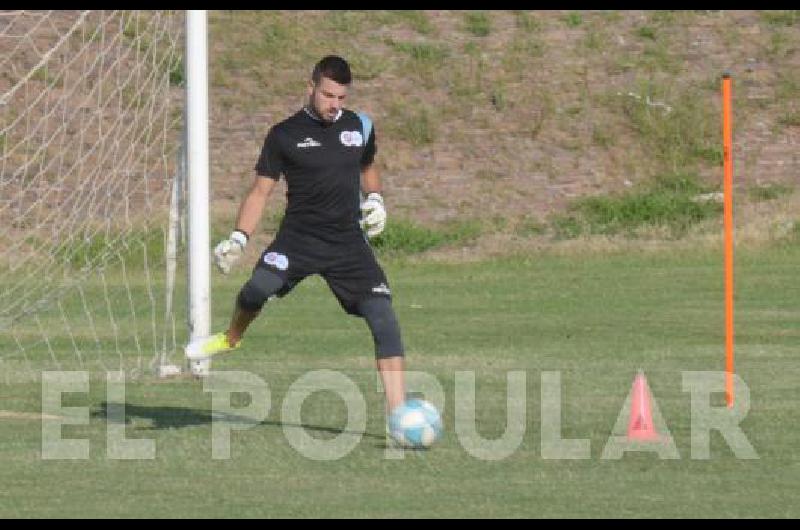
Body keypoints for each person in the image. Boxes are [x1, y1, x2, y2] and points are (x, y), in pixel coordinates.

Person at [185, 55, 407, 419]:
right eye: (328, 95)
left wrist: (377, 198)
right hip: (298, 240)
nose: (335, 105)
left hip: (347, 244)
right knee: (256, 290)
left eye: (342, 98)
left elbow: (367, 166)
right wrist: (239, 238)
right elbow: (260, 191)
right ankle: (231, 337)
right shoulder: (283, 135)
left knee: (384, 318)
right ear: (311, 88)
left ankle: (399, 415)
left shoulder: (360, 127)